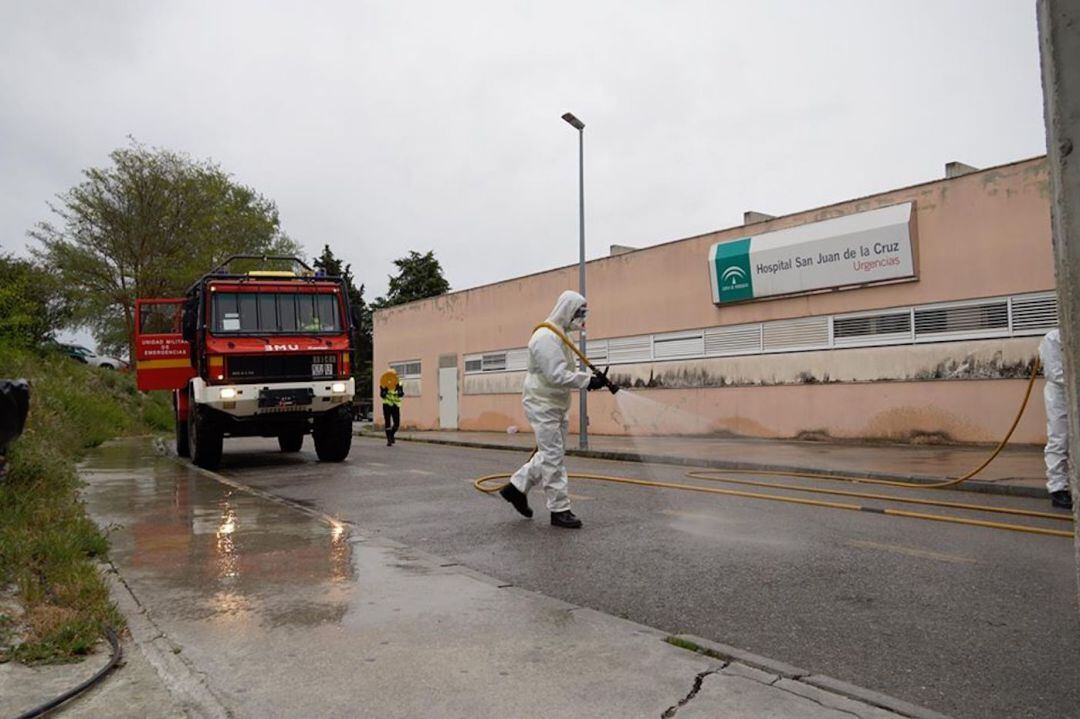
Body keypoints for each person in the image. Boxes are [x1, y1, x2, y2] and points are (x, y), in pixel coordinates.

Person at [499, 290, 614, 529]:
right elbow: (556, 374)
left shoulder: (559, 335)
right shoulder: (545, 337)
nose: (582, 318)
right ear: (568, 310)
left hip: (555, 404)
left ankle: (516, 487)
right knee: (553, 457)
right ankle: (559, 510)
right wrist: (587, 382)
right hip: (542, 404)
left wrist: (590, 380)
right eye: (579, 313)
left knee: (552, 452)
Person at [1039, 329, 1073, 510]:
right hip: (1059, 394)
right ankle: (1058, 489)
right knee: (1059, 438)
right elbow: (1055, 373)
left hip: (1075, 390)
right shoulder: (1053, 337)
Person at [380, 373, 404, 446]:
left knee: (397, 423)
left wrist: (400, 392)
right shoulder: (384, 383)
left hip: (395, 405)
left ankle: (392, 434)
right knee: (388, 422)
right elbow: (382, 395)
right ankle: (389, 440)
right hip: (386, 405)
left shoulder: (399, 384)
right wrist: (384, 391)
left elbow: (401, 394)